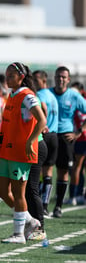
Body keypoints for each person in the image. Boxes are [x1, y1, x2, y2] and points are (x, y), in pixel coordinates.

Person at [0, 62, 46, 244]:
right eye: (6, 75)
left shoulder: (27, 96)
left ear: (21, 77)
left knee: (19, 194)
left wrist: (31, 140)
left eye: (11, 76)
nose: (7, 78)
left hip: (20, 152)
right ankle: (30, 220)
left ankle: (18, 234)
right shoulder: (13, 94)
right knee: (0, 190)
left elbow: (42, 119)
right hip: (8, 151)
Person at [50, 66, 86, 218]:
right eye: (58, 76)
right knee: (45, 170)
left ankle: (58, 206)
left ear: (68, 80)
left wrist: (79, 131)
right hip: (49, 135)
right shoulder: (47, 93)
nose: (60, 79)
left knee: (63, 172)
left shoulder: (74, 95)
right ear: (54, 77)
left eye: (64, 77)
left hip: (66, 137)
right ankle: (43, 206)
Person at [33, 70, 58, 216]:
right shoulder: (52, 95)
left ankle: (37, 205)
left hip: (44, 135)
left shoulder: (41, 94)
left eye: (36, 80)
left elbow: (44, 109)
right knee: (48, 173)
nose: (34, 84)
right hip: (54, 135)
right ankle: (45, 205)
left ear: (43, 80)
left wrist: (42, 124)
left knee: (37, 172)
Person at [65, 82, 86, 205]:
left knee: (76, 168)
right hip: (81, 138)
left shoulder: (77, 103)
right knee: (79, 168)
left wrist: (78, 132)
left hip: (80, 139)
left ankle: (74, 196)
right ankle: (79, 195)